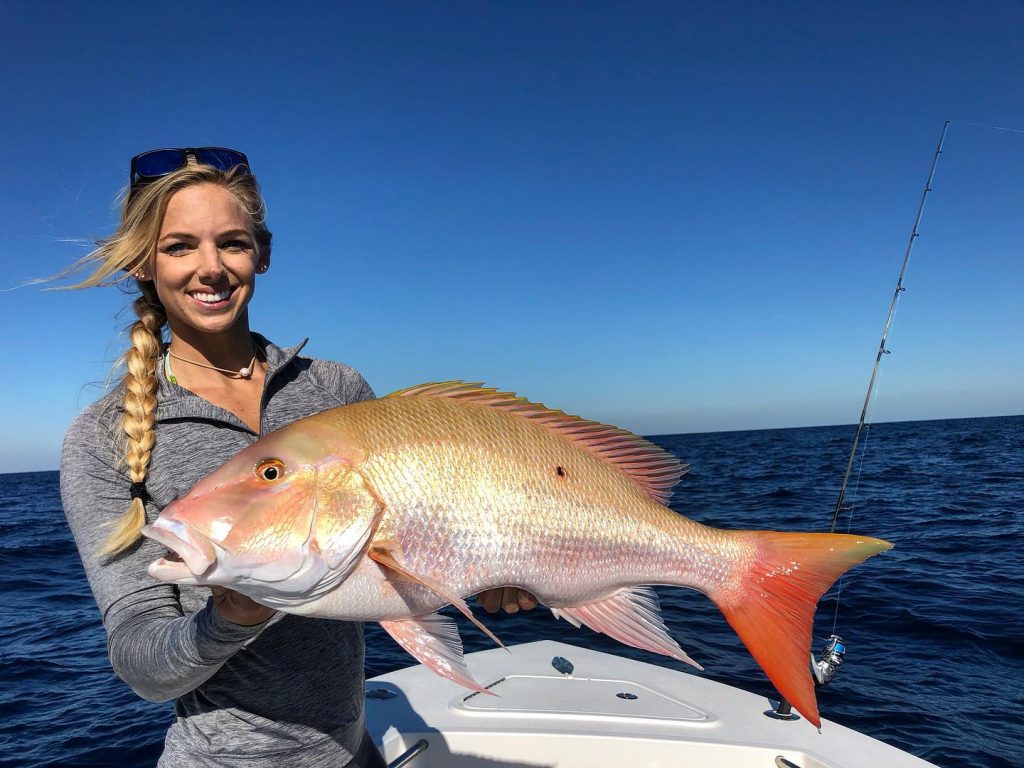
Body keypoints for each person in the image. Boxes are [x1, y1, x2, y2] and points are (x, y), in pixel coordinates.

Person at [59, 148, 537, 767]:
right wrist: (234, 613)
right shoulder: (102, 438)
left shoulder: (335, 389)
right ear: (141, 265)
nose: (211, 268)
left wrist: (491, 566)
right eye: (179, 246)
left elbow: (402, 560)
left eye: (231, 243)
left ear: (263, 253)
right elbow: (143, 662)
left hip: (353, 750)